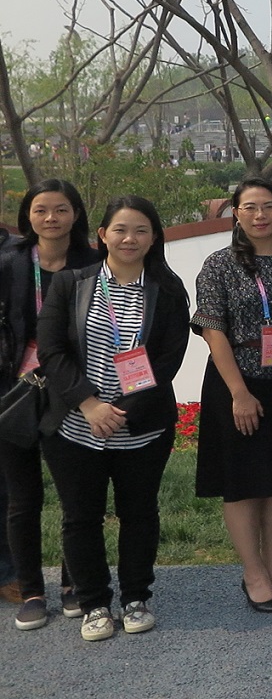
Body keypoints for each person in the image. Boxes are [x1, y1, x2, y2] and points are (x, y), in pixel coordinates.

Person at [38, 196, 189, 641]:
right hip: (76, 427)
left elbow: (168, 359)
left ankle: (136, 598)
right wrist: (89, 404)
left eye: (141, 230)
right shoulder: (70, 284)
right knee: (80, 517)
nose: (130, 239)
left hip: (140, 428)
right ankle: (94, 604)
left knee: (139, 514)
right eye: (120, 230)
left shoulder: (167, 289)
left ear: (154, 237)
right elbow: (52, 351)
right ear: (102, 234)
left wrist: (122, 410)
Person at [191, 179, 272, 614]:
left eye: (268, 206)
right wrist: (239, 393)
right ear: (236, 214)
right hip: (239, 385)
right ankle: (253, 573)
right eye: (250, 207)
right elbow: (213, 330)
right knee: (243, 484)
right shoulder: (220, 264)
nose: (260, 215)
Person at [0, 179, 99, 629]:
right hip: (15, 392)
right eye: (40, 210)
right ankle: (31, 590)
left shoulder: (93, 264)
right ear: (28, 216)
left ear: (75, 213)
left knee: (76, 497)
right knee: (22, 499)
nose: (50, 218)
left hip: (74, 391)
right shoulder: (10, 262)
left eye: (60, 209)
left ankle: (74, 584)